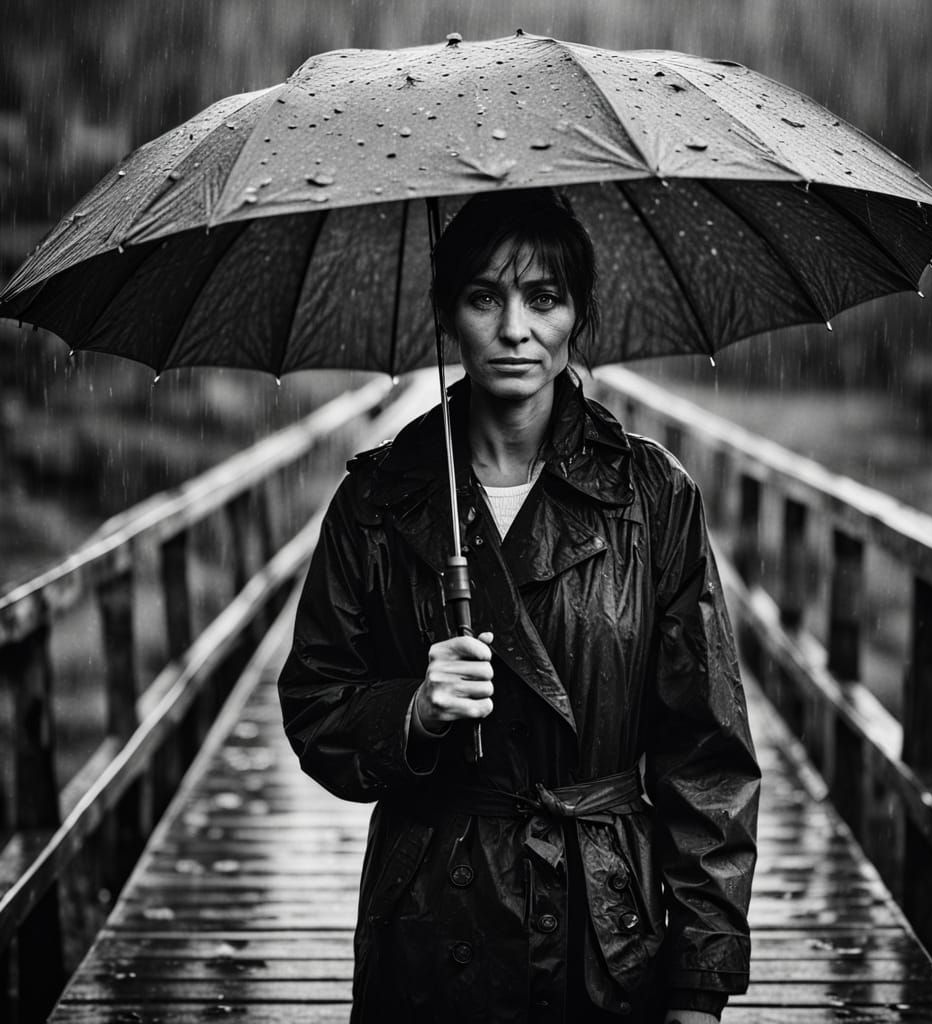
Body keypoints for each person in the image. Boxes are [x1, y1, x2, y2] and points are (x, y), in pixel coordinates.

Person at [277, 188, 760, 1023]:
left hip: (601, 928)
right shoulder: (379, 499)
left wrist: (700, 980)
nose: (514, 329)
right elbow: (315, 704)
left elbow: (705, 754)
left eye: (543, 298)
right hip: (432, 921)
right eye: (483, 297)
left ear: (577, 312)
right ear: (447, 314)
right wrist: (413, 714)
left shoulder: (651, 495)